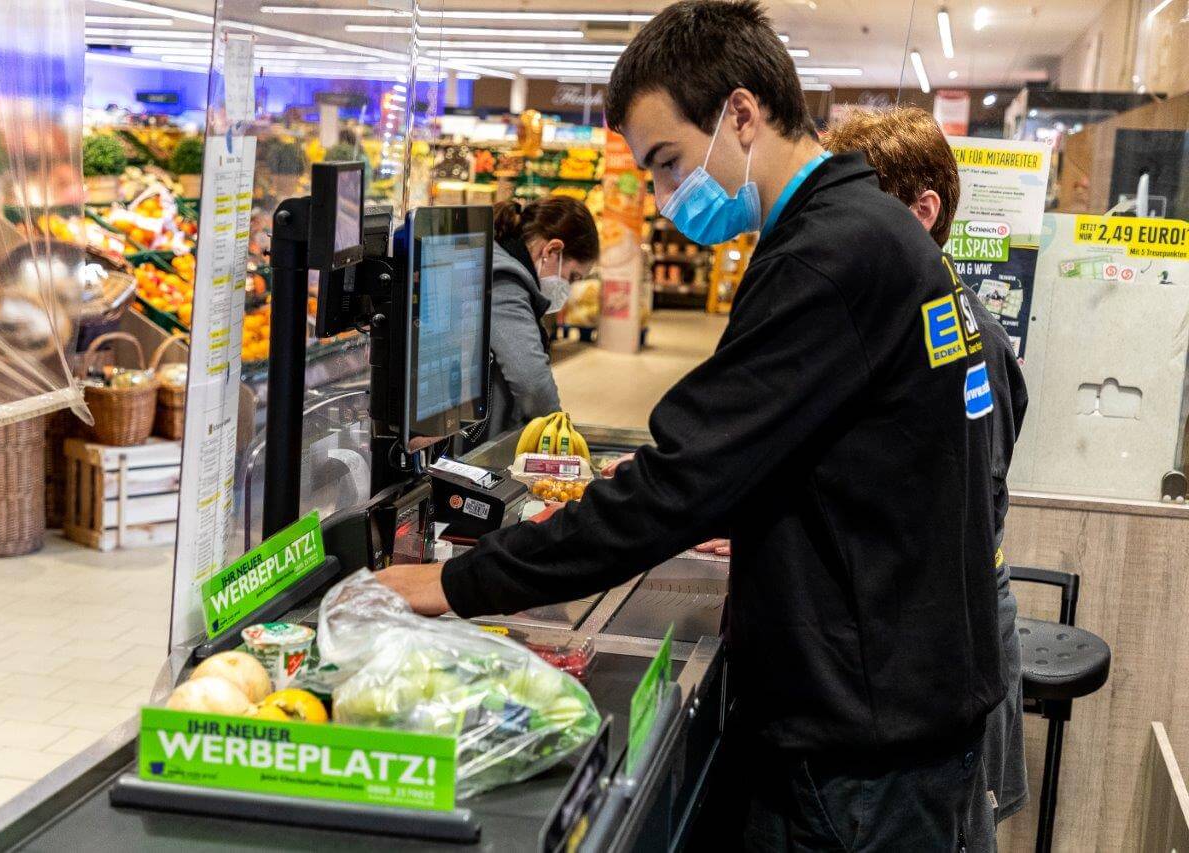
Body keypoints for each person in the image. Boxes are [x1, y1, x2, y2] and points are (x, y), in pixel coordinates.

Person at [380, 1, 1003, 848]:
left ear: (742, 115)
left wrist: (457, 584)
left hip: (859, 758)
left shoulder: (826, 258)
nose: (667, 195)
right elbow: (824, 453)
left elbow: (679, 479)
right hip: (902, 713)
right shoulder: (877, 230)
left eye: (670, 161)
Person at [824, 105, 1030, 846]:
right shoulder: (916, 317)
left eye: (854, 209)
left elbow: (963, 504)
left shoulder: (955, 332)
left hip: (945, 645)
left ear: (923, 210)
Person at [485, 197, 599, 439]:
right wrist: (561, 433)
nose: (569, 288)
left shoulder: (499, 256)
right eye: (573, 277)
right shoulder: (506, 281)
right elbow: (532, 383)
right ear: (552, 250)